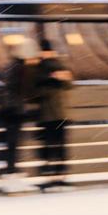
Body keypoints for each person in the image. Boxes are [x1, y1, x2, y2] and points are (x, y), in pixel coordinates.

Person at [32, 32, 75, 188]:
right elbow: (70, 85)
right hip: (61, 114)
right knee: (61, 145)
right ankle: (61, 175)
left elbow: (36, 93)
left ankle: (51, 177)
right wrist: (59, 78)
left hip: (48, 115)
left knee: (49, 146)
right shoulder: (61, 66)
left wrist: (50, 80)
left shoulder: (39, 69)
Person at [0, 37, 40, 179]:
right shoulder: (21, 68)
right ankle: (12, 170)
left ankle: (11, 168)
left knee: (11, 141)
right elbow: (27, 89)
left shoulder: (11, 65)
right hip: (15, 110)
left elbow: (9, 87)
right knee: (14, 141)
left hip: (8, 109)